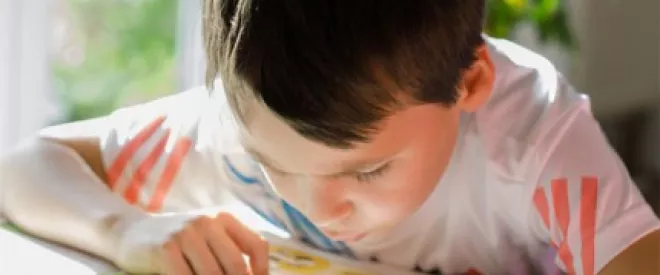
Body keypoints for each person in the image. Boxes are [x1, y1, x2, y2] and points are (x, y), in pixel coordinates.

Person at [2, 0, 659, 274]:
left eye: (367, 170)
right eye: (273, 165)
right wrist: (125, 231)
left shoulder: (533, 140)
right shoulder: (235, 126)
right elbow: (25, 166)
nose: (318, 206)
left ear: (469, 83)